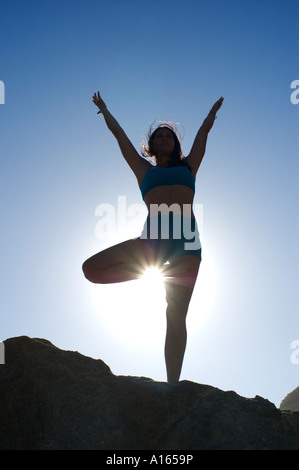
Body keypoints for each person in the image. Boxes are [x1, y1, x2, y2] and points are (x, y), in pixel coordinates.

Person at [82, 91, 224, 382]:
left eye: (169, 136)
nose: (164, 139)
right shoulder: (142, 169)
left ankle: (173, 385)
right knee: (91, 270)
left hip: (186, 241)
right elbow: (120, 137)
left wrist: (211, 115)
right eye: (159, 136)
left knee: (175, 314)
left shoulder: (189, 166)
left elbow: (202, 135)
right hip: (152, 241)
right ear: (151, 145)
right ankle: (148, 274)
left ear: (175, 144)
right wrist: (105, 111)